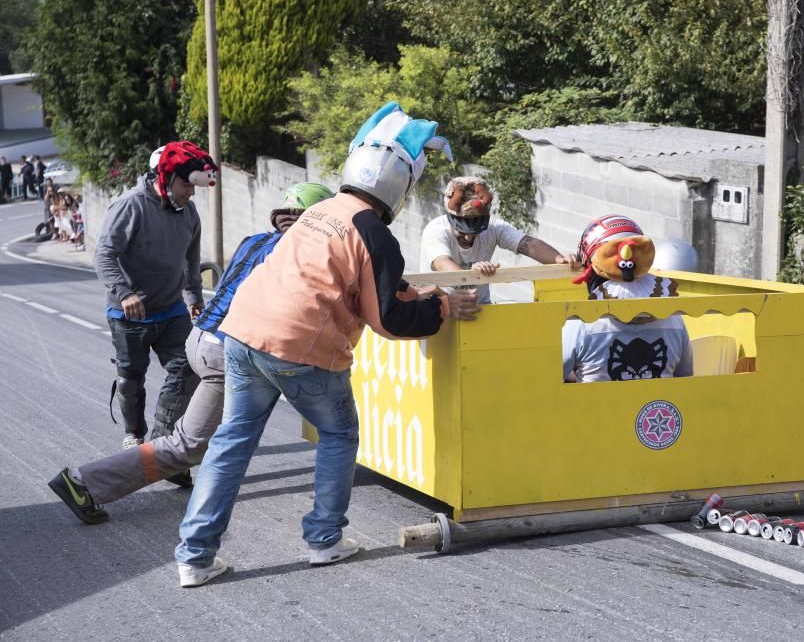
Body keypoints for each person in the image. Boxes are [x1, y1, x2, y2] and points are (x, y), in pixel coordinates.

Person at [174, 102, 480, 588]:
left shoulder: (318, 211)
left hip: (243, 332)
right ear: (398, 184)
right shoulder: (374, 232)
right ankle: (324, 540)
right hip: (301, 348)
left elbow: (347, 281)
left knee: (231, 441)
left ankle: (194, 558)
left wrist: (409, 294)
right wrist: (442, 307)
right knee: (338, 435)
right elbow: (390, 320)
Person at [47, 183, 336, 525]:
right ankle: (86, 482)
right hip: (228, 351)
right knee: (193, 443)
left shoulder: (255, 240)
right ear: (317, 219)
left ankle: (165, 473)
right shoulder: (296, 253)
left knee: (216, 434)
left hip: (201, 338)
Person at [95, 141, 218, 451]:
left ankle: (164, 443)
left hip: (171, 310)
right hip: (129, 314)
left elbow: (191, 261)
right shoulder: (130, 206)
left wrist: (194, 299)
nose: (191, 193)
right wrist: (124, 293)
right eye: (187, 185)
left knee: (189, 367)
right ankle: (133, 434)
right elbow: (105, 254)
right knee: (131, 377)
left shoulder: (188, 212)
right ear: (166, 177)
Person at [562, 215, 694, 383]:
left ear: (593, 270)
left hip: (597, 409)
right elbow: (685, 377)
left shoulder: (581, 323)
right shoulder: (674, 318)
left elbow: (550, 378)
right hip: (655, 408)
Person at [420, 176, 578, 304]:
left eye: (475, 232)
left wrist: (559, 258)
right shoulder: (436, 231)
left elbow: (526, 244)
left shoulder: (494, 226)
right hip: (440, 310)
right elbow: (443, 263)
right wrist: (471, 272)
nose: (469, 237)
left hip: (479, 308)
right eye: (463, 232)